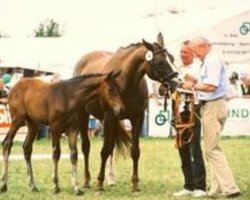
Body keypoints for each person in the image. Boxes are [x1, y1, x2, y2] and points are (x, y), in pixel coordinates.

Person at [182, 36, 241, 198]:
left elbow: (211, 86)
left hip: (213, 106)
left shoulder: (211, 61)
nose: (194, 55)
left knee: (211, 149)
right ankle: (216, 189)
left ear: (202, 47)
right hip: (214, 105)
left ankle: (230, 187)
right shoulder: (210, 61)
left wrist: (192, 85)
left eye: (194, 51)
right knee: (212, 148)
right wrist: (196, 81)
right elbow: (208, 83)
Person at [173, 40, 206, 197]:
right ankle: (188, 185)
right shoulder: (177, 68)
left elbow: (190, 82)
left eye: (185, 52)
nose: (182, 55)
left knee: (194, 147)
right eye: (181, 52)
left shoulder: (199, 67)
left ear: (193, 53)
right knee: (182, 148)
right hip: (179, 110)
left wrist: (180, 81)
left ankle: (200, 186)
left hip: (193, 109)